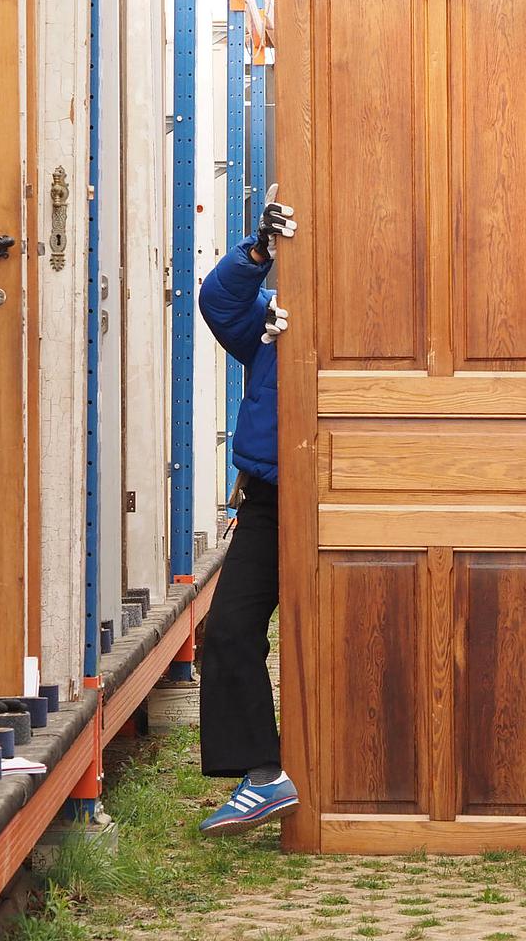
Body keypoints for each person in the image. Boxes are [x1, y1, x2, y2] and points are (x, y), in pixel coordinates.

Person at [195, 185, 298, 837]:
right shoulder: (273, 319)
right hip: (270, 499)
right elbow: (219, 302)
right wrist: (259, 250)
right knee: (229, 631)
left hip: (347, 495)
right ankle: (264, 777)